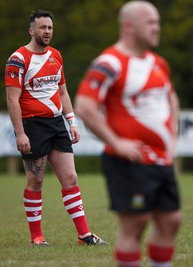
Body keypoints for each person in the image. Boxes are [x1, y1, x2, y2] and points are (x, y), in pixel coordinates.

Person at [75, 1, 181, 266]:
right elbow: (85, 107)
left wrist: (172, 140)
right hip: (129, 161)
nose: (157, 28)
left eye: (158, 22)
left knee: (170, 221)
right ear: (129, 27)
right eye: (150, 22)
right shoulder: (110, 62)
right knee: (136, 224)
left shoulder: (159, 63)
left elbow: (172, 99)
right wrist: (117, 143)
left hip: (160, 160)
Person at [4, 9, 107, 246]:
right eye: (42, 28)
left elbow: (62, 92)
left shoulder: (56, 55)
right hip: (33, 125)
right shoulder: (18, 59)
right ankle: (36, 238)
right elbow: (12, 99)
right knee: (36, 181)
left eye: (50, 27)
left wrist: (71, 122)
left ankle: (84, 235)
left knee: (70, 178)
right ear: (31, 31)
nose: (47, 32)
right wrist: (20, 133)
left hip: (56, 123)